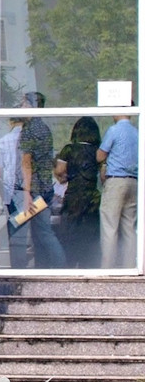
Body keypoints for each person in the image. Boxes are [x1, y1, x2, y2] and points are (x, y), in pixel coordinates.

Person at [13, 92, 65, 268]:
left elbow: (26, 163)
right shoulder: (44, 128)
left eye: (23, 104)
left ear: (30, 106)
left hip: (34, 190)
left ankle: (60, 268)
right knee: (38, 233)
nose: (20, 108)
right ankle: (41, 268)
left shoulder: (29, 130)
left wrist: (26, 193)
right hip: (45, 187)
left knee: (42, 232)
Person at [54, 117, 101, 268]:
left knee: (70, 230)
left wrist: (65, 177)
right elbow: (104, 174)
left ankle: (70, 262)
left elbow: (60, 171)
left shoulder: (68, 149)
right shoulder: (97, 152)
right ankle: (88, 263)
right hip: (92, 196)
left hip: (73, 195)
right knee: (89, 232)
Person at [97, 112, 138, 268]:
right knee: (130, 227)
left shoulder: (114, 130)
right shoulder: (137, 132)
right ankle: (130, 268)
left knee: (109, 226)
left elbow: (100, 156)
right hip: (134, 181)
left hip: (116, 181)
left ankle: (107, 268)